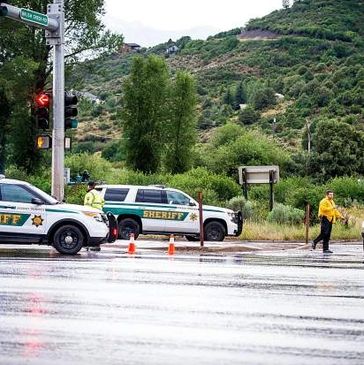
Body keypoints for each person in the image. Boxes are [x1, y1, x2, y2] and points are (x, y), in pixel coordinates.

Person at [84, 181, 105, 251]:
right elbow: (103, 202)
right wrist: (99, 208)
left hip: (91, 213)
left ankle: (90, 244)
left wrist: (86, 214)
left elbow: (87, 205)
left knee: (89, 228)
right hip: (99, 212)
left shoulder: (89, 194)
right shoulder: (98, 193)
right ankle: (97, 244)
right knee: (97, 228)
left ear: (89, 186)